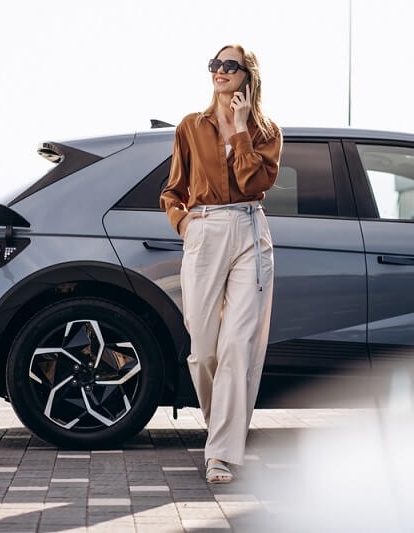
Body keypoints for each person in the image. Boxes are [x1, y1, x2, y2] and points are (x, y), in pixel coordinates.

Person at [159, 44, 282, 484]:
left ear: (248, 75)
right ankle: (222, 431)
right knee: (204, 350)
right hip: (205, 231)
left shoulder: (267, 132)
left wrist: (242, 130)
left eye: (231, 65)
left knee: (238, 345)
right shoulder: (190, 127)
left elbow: (254, 181)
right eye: (215, 64)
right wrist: (185, 224)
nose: (221, 71)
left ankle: (221, 453)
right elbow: (171, 192)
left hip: (250, 231)